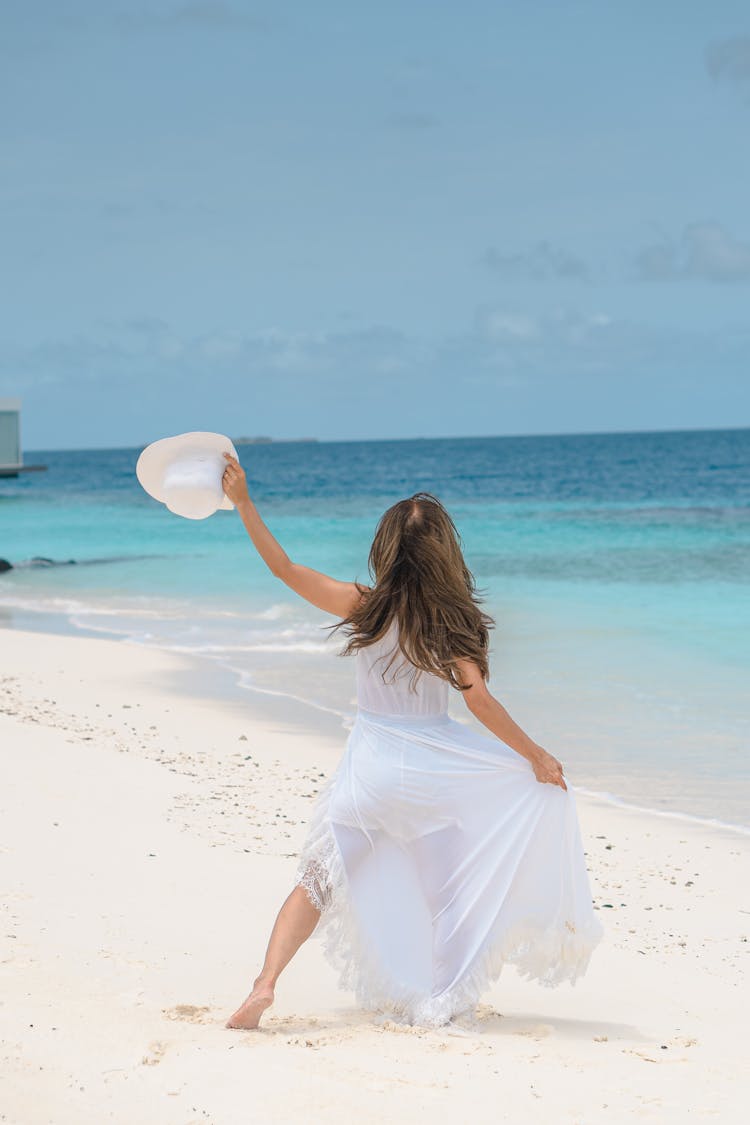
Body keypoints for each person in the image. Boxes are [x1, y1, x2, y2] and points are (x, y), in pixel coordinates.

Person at [221, 452, 603, 1031]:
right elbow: (477, 701)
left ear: (386, 548)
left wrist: (244, 502)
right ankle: (438, 997)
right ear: (445, 552)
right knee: (448, 891)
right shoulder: (455, 622)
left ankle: (265, 983)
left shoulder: (364, 606)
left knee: (317, 883)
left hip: (370, 769)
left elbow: (284, 569)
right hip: (434, 774)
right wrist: (536, 757)